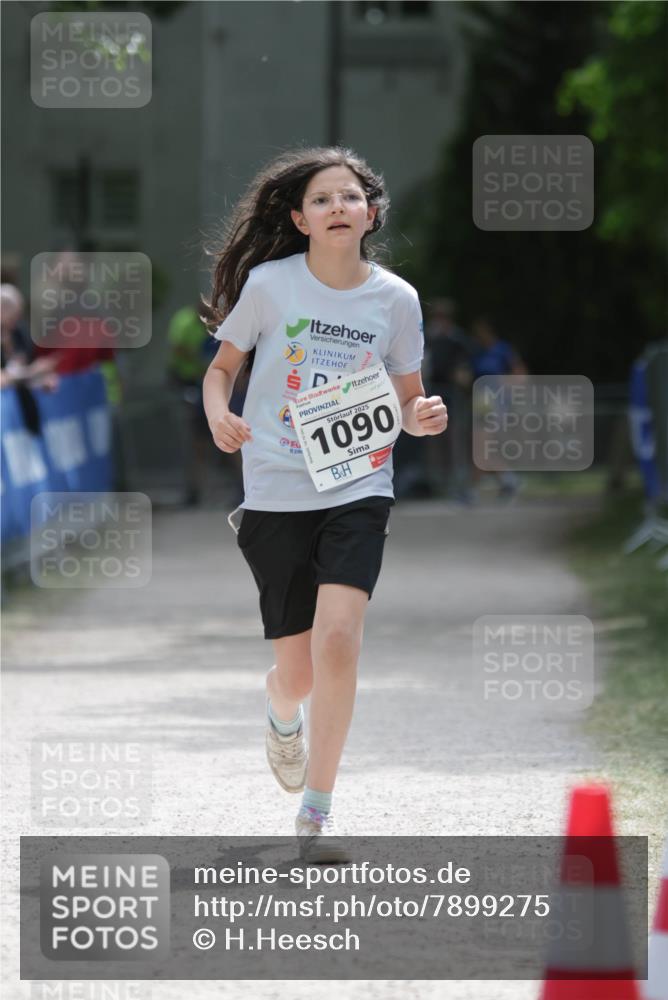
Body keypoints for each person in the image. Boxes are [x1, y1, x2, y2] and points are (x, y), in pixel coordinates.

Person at [202, 146, 448, 863]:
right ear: (298, 218)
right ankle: (282, 713)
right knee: (300, 673)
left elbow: (409, 401)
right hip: (276, 486)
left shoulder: (396, 300)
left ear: (371, 214)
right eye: (321, 199)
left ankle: (314, 815)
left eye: (350, 197)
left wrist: (423, 415)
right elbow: (222, 371)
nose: (337, 206)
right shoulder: (271, 286)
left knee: (339, 641)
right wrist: (220, 414)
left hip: (358, 486)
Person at [470, 315, 527, 501]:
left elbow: (520, 375)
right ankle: (509, 480)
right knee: (484, 447)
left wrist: (505, 386)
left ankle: (474, 491)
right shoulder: (478, 352)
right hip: (481, 402)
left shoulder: (502, 350)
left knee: (482, 445)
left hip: (497, 403)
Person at [423, 298, 474, 501]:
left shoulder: (457, 339)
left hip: (453, 394)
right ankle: (438, 482)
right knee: (434, 440)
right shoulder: (428, 337)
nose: (441, 320)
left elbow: (465, 367)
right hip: (433, 390)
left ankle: (458, 483)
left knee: (455, 438)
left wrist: (462, 377)